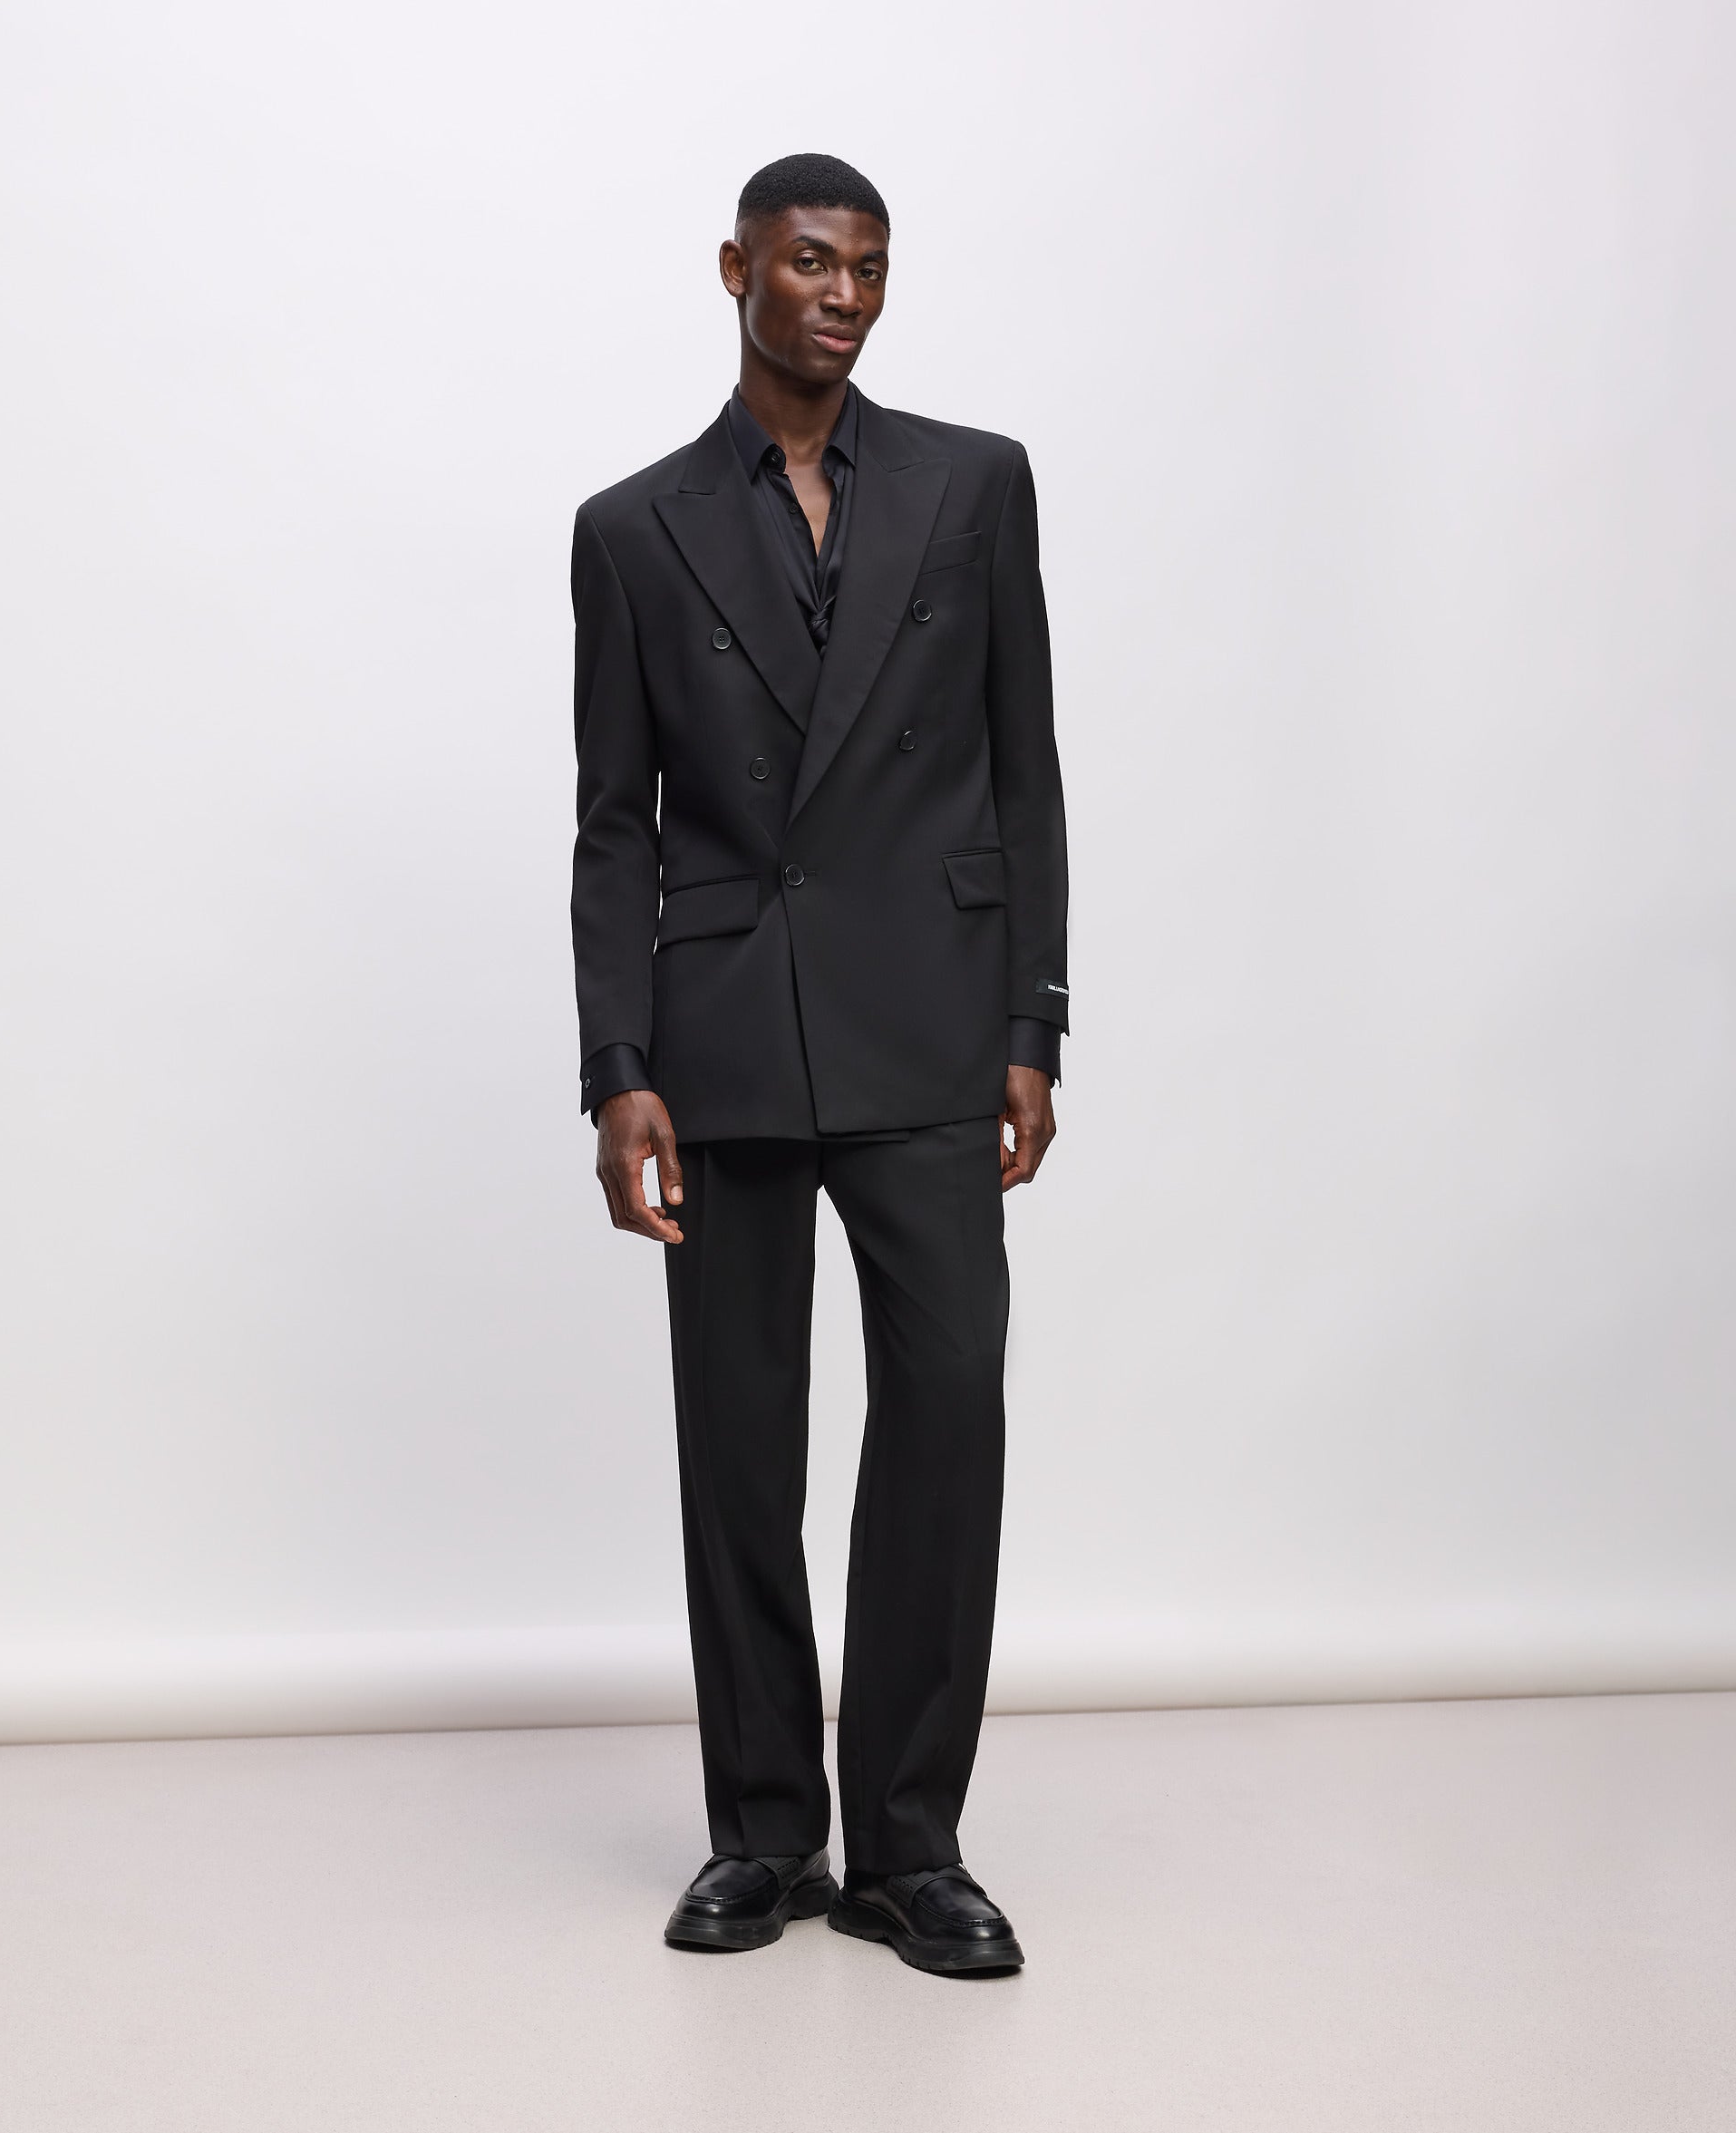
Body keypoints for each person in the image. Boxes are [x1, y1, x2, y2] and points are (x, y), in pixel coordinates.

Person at [569, 152, 1067, 1978]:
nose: (843, 293)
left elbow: (1024, 765)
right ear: (736, 273)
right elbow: (613, 822)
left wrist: (1032, 1019)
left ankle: (912, 1847)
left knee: (949, 1412)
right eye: (808, 262)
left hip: (930, 1018)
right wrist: (617, 1062)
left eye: (868, 265)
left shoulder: (972, 483)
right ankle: (766, 1834)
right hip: (724, 1035)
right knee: (738, 1444)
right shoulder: (632, 528)